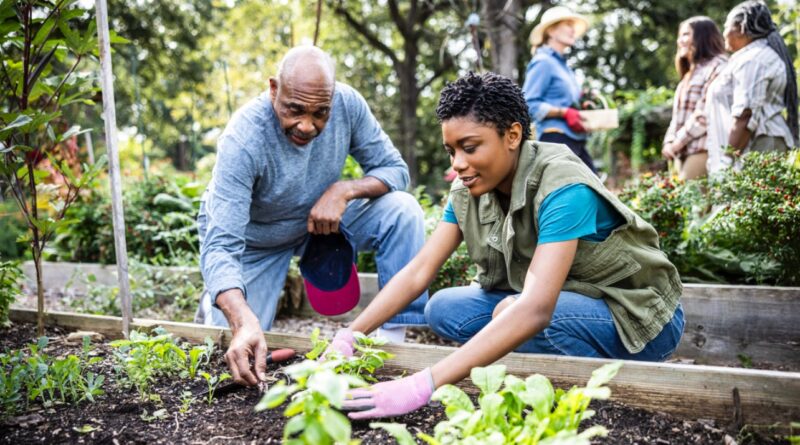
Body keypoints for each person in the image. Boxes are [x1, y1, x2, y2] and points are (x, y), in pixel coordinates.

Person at [327, 72, 684, 420]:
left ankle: (603, 391)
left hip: (636, 318)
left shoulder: (563, 185)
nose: (458, 164)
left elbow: (535, 310)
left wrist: (424, 384)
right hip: (564, 299)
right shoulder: (469, 190)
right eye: (451, 151)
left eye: (469, 148)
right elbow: (420, 270)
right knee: (443, 308)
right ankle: (534, 360)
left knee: (519, 315)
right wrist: (351, 334)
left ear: (512, 135)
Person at [197, 46, 428, 387]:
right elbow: (220, 246)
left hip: (321, 224)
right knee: (229, 353)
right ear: (274, 89)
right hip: (256, 241)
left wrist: (343, 190)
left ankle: (392, 343)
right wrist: (241, 319)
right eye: (295, 110)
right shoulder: (244, 138)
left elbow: (394, 169)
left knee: (403, 210)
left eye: (321, 113)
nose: (307, 125)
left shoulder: (348, 104)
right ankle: (215, 309)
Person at [704, 1, 798, 175]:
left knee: (758, 201)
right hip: (753, 146)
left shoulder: (753, 60)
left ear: (740, 28)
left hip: (759, 146)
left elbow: (745, 115)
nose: (723, 33)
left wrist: (727, 160)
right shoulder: (752, 56)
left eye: (726, 26)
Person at [522, 6, 596, 173]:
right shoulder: (543, 62)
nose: (573, 30)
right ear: (551, 31)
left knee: (595, 190)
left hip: (574, 140)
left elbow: (570, 103)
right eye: (568, 25)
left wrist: (583, 105)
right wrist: (563, 112)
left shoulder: (564, 67)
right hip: (555, 139)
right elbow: (528, 105)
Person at [662, 17, 727, 180]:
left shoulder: (717, 66)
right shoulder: (689, 74)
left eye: (686, 35)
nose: (680, 41)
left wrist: (677, 142)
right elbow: (677, 118)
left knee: (690, 203)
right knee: (680, 201)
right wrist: (669, 142)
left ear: (703, 36)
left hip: (703, 148)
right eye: (680, 35)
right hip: (683, 150)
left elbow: (705, 114)